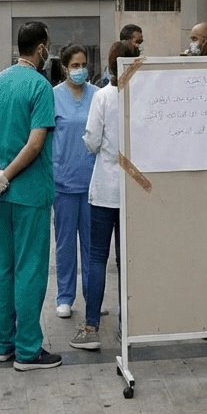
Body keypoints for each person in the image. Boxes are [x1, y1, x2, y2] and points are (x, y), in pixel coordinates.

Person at [0, 21, 60, 371]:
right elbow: (36, 143)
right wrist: (7, 176)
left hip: (0, 195)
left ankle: (2, 344)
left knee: (2, 267)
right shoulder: (40, 86)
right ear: (40, 49)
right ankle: (27, 350)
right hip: (29, 194)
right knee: (29, 269)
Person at [70, 40, 139, 351]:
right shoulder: (142, 94)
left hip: (104, 190)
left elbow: (92, 142)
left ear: (110, 66)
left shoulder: (102, 96)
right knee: (128, 259)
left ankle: (91, 327)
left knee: (97, 257)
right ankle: (128, 326)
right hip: (133, 190)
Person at [52, 45, 98, 318]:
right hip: (64, 182)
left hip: (93, 181)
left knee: (93, 245)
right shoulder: (53, 96)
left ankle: (93, 296)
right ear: (65, 68)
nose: (80, 70)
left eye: (83, 65)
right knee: (65, 244)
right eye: (75, 65)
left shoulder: (97, 95)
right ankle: (65, 296)